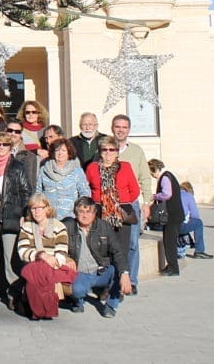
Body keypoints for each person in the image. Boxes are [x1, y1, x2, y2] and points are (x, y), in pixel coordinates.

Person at [0, 129, 32, 309]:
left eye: (5, 144)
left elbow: (26, 191)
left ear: (11, 147)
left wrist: (24, 214)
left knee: (11, 258)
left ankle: (13, 294)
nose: (1, 148)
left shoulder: (17, 166)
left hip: (12, 215)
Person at [85, 135, 140, 292]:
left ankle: (119, 284)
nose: (108, 153)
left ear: (117, 152)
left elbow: (135, 191)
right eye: (105, 150)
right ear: (100, 152)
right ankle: (104, 285)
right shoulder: (92, 168)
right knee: (102, 249)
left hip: (121, 212)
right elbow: (86, 188)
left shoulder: (126, 167)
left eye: (112, 150)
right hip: (99, 211)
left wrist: (117, 205)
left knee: (122, 249)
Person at [64, 196, 132, 317]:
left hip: (101, 270)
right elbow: (57, 246)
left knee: (120, 271)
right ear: (75, 213)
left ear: (94, 213)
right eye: (81, 211)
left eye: (88, 211)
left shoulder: (104, 226)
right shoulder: (68, 227)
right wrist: (67, 258)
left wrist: (125, 273)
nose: (85, 215)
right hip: (80, 273)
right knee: (76, 290)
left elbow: (118, 251)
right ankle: (78, 302)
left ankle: (110, 306)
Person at [16, 194, 75, 320]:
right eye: (33, 208)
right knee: (37, 270)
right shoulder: (27, 227)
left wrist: (51, 261)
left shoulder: (59, 226)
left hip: (53, 264)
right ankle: (37, 308)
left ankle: (45, 308)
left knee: (43, 271)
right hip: (34, 263)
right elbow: (23, 251)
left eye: (40, 208)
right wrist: (42, 255)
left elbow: (62, 251)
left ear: (47, 208)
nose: (36, 211)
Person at [111, 114, 151, 293]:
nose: (120, 130)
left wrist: (146, 203)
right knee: (111, 243)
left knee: (132, 243)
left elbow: (145, 178)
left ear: (129, 130)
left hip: (131, 204)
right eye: (117, 126)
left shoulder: (136, 151)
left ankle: (132, 281)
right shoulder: (105, 148)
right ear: (112, 128)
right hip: (110, 204)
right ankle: (112, 281)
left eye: (124, 127)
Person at [148, 158, 186, 276]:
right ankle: (171, 266)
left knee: (170, 243)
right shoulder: (169, 176)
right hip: (175, 214)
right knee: (169, 241)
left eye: (151, 172)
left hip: (171, 215)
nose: (152, 175)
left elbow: (167, 194)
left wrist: (154, 196)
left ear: (155, 169)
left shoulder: (164, 178)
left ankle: (173, 268)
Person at [38, 137, 91, 220]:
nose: (60, 153)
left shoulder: (77, 171)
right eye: (57, 150)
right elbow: (38, 193)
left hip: (70, 217)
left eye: (63, 150)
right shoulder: (44, 170)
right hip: (48, 217)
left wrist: (80, 211)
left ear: (69, 153)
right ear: (53, 152)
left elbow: (85, 193)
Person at [179, 182, 213, 259]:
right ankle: (199, 251)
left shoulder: (173, 194)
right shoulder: (188, 196)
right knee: (198, 223)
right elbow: (195, 215)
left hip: (168, 225)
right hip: (179, 226)